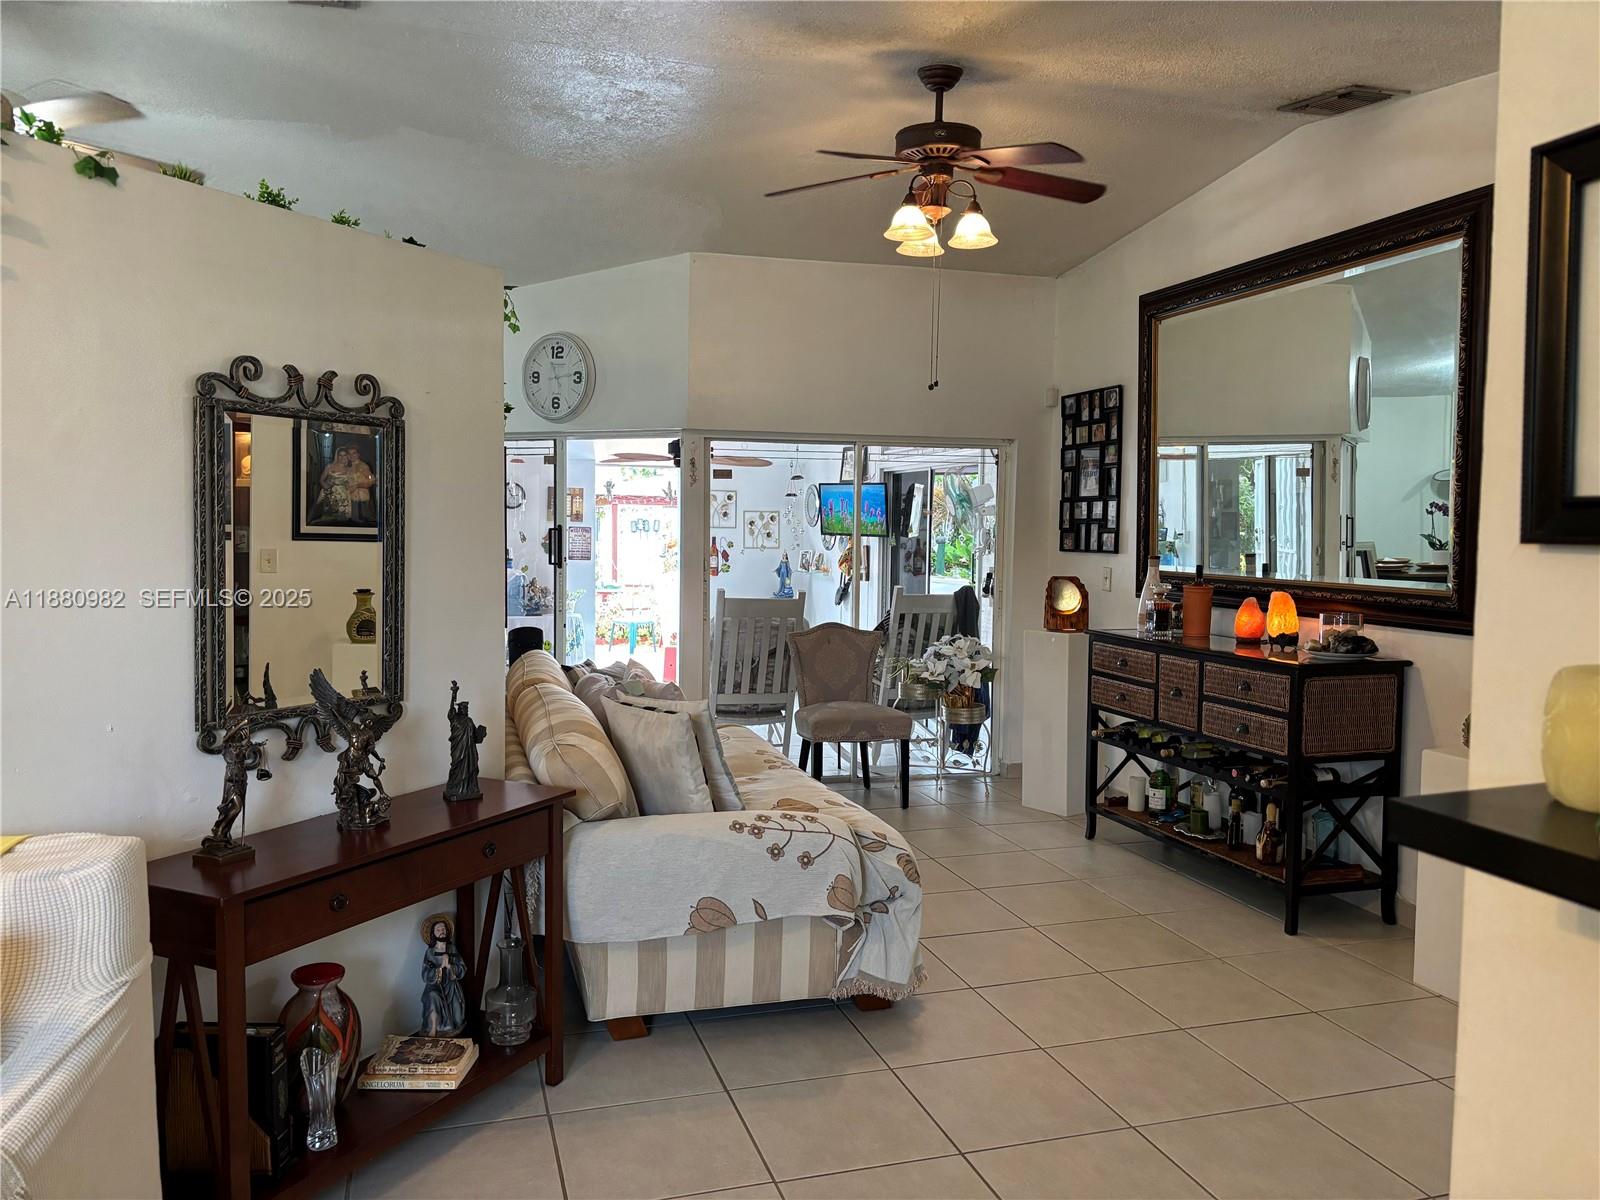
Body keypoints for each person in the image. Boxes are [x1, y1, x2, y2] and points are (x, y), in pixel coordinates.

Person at [419, 917, 467, 1035]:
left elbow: (462, 968)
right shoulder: (430, 952)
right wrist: (440, 967)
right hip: (435, 986)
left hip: (451, 987)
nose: (442, 931)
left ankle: (452, 1026)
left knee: (457, 1017)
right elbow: (425, 974)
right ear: (433, 933)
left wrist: (450, 966)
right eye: (438, 929)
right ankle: (433, 1029)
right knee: (432, 997)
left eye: (444, 929)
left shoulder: (452, 949)